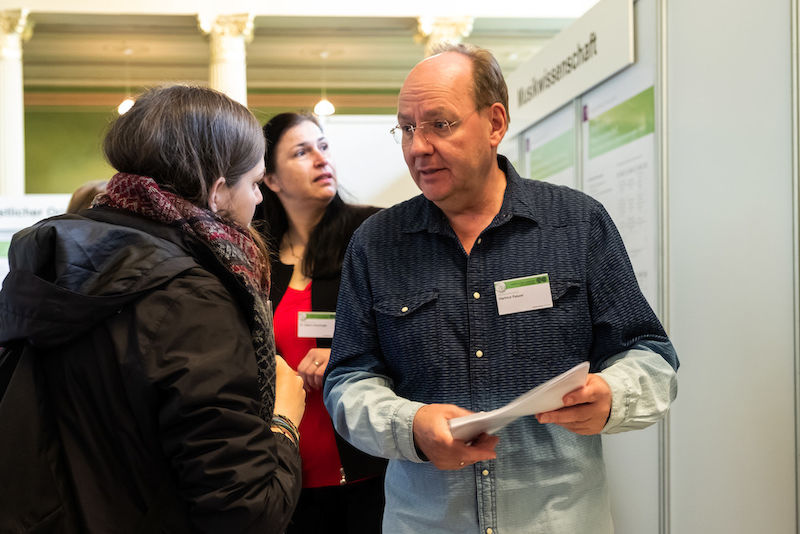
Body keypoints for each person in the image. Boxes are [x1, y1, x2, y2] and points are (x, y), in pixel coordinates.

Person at [323, 43, 679, 534]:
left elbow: (652, 355)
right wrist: (410, 425)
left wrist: (612, 394)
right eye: (406, 128)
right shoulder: (376, 243)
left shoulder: (577, 223)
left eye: (439, 125)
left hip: (559, 520)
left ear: (495, 123)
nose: (417, 146)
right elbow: (347, 382)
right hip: (426, 522)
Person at [0, 85, 306, 533]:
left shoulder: (53, 259)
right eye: (256, 183)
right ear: (218, 191)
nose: (260, 200)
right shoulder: (193, 297)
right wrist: (284, 420)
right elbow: (247, 512)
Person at [253, 112, 385, 533]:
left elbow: (404, 332)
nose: (320, 159)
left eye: (323, 147)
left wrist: (344, 355)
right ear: (270, 179)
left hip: (364, 463)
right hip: (286, 468)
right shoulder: (257, 254)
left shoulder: (370, 234)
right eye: (302, 151)